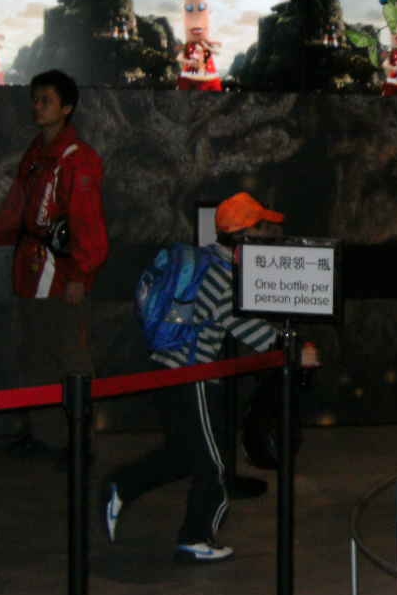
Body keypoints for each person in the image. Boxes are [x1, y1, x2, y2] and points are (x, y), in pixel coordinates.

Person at [104, 193, 299, 563]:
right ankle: (195, 537)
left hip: (169, 369)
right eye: (263, 229)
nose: (270, 237)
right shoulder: (222, 275)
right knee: (214, 464)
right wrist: (291, 347)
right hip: (191, 374)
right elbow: (242, 325)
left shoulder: (209, 260)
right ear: (244, 235)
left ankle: (122, 485)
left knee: (182, 455)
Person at [0, 70, 108, 454]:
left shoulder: (79, 160)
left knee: (69, 356)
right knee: (35, 355)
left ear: (67, 107)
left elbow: (88, 224)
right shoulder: (36, 154)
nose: (37, 107)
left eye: (46, 100)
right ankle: (46, 435)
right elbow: (16, 213)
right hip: (31, 271)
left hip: (61, 275)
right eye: (35, 100)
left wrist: (80, 275)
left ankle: (79, 443)